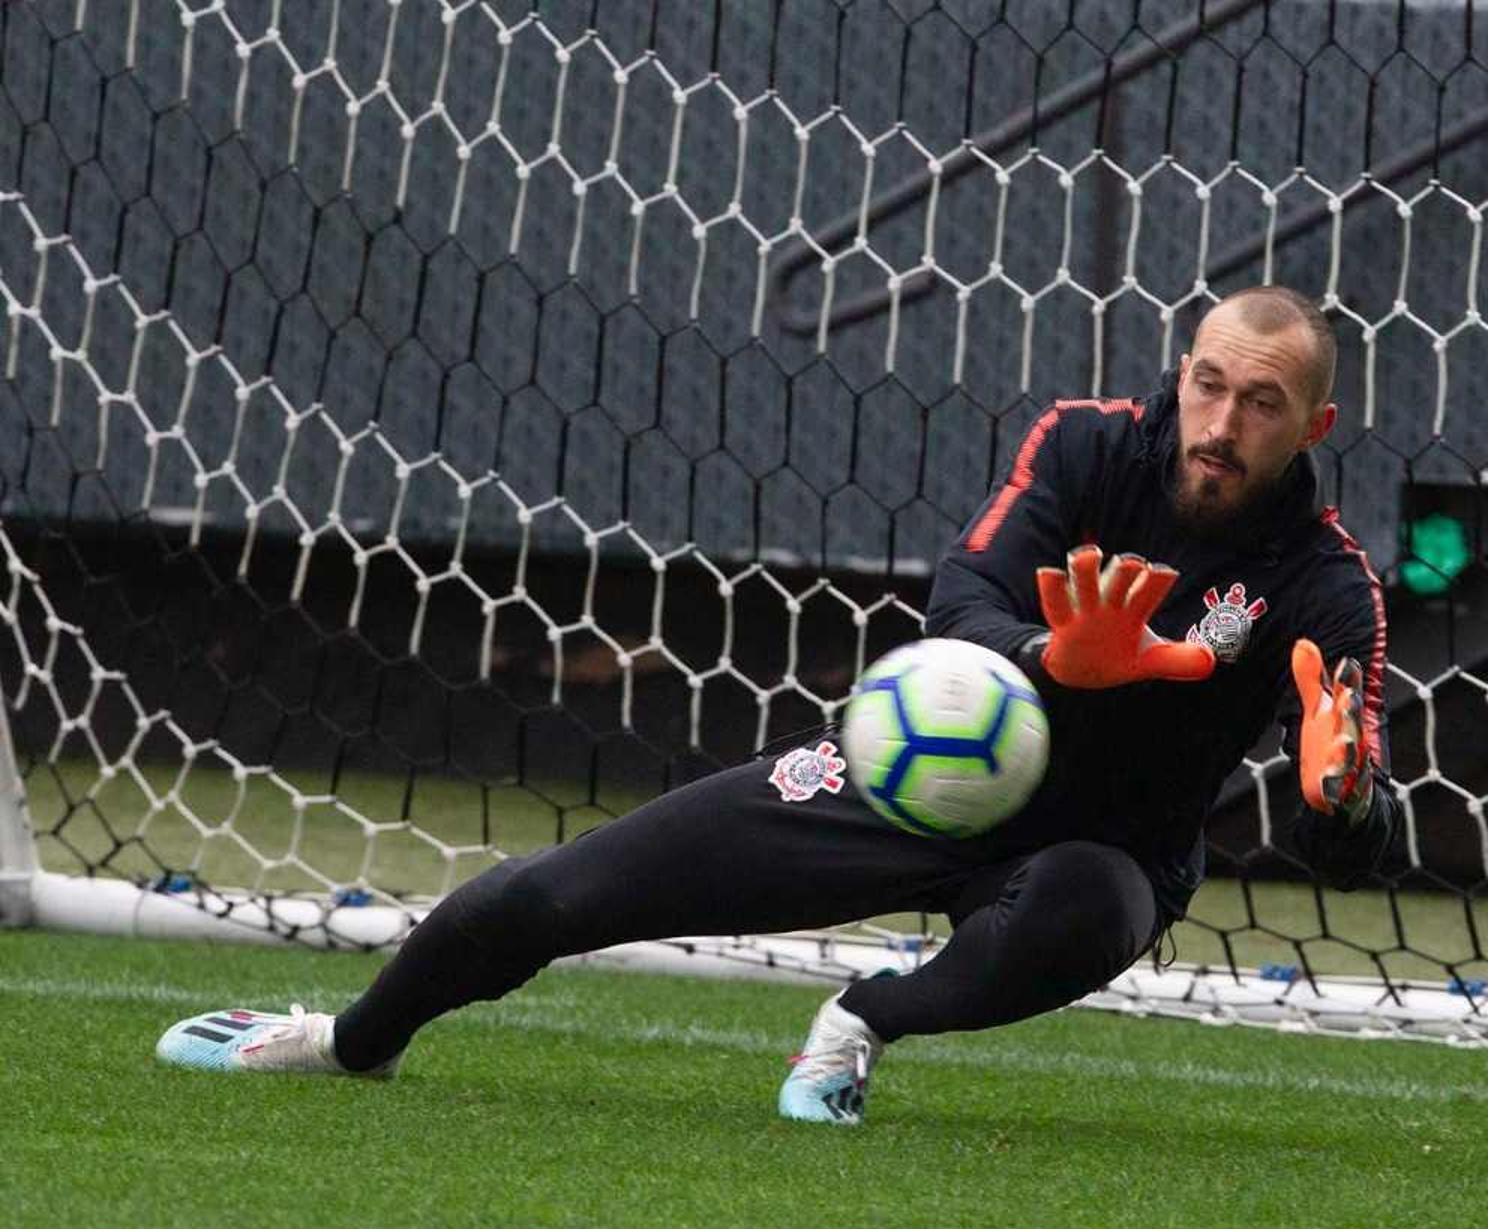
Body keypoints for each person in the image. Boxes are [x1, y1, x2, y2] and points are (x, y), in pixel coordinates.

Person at [155, 285, 1402, 1125]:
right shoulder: (1089, 449)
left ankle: (859, 1024)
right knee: (562, 893)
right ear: (1177, 378)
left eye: (1263, 403)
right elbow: (959, 597)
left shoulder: (1325, 583)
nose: (1222, 424)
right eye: (1209, 385)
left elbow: (1341, 847)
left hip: (1104, 845)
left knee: (1094, 905)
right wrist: (1048, 655)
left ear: (1315, 425)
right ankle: (352, 1037)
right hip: (907, 778)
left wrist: (1340, 803)